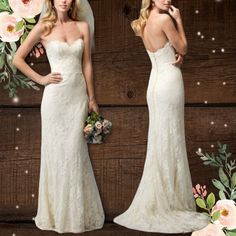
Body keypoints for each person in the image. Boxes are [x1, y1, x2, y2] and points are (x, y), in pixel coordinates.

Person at [113, 0, 209, 233]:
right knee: (171, 139)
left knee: (160, 140)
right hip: (169, 83)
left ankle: (163, 197)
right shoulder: (166, 19)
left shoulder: (144, 23)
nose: (167, 0)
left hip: (154, 84)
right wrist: (179, 20)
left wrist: (178, 56)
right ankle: (170, 203)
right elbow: (183, 47)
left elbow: (167, 51)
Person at [13, 0, 105, 233]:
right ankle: (56, 215)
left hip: (77, 99)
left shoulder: (83, 26)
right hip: (55, 101)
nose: (64, 0)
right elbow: (17, 59)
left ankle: (74, 215)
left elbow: (87, 64)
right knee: (56, 155)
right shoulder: (44, 27)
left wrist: (92, 98)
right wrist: (42, 78)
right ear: (52, 1)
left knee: (75, 153)